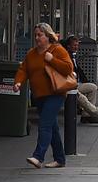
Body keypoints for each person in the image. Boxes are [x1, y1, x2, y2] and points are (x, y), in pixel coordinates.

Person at [14, 22, 75, 169]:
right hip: (39, 95)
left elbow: (68, 68)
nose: (37, 38)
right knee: (52, 127)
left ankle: (38, 156)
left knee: (44, 125)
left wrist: (51, 60)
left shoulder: (57, 50)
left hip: (55, 93)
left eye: (40, 35)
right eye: (35, 35)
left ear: (48, 36)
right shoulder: (32, 53)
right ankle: (60, 159)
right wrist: (18, 82)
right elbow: (24, 70)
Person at [62, 36, 98, 126]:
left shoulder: (73, 56)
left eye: (77, 45)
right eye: (74, 45)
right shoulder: (65, 57)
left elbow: (79, 71)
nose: (76, 47)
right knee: (82, 98)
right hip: (68, 86)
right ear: (68, 46)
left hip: (76, 84)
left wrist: (84, 81)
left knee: (93, 87)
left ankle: (86, 115)